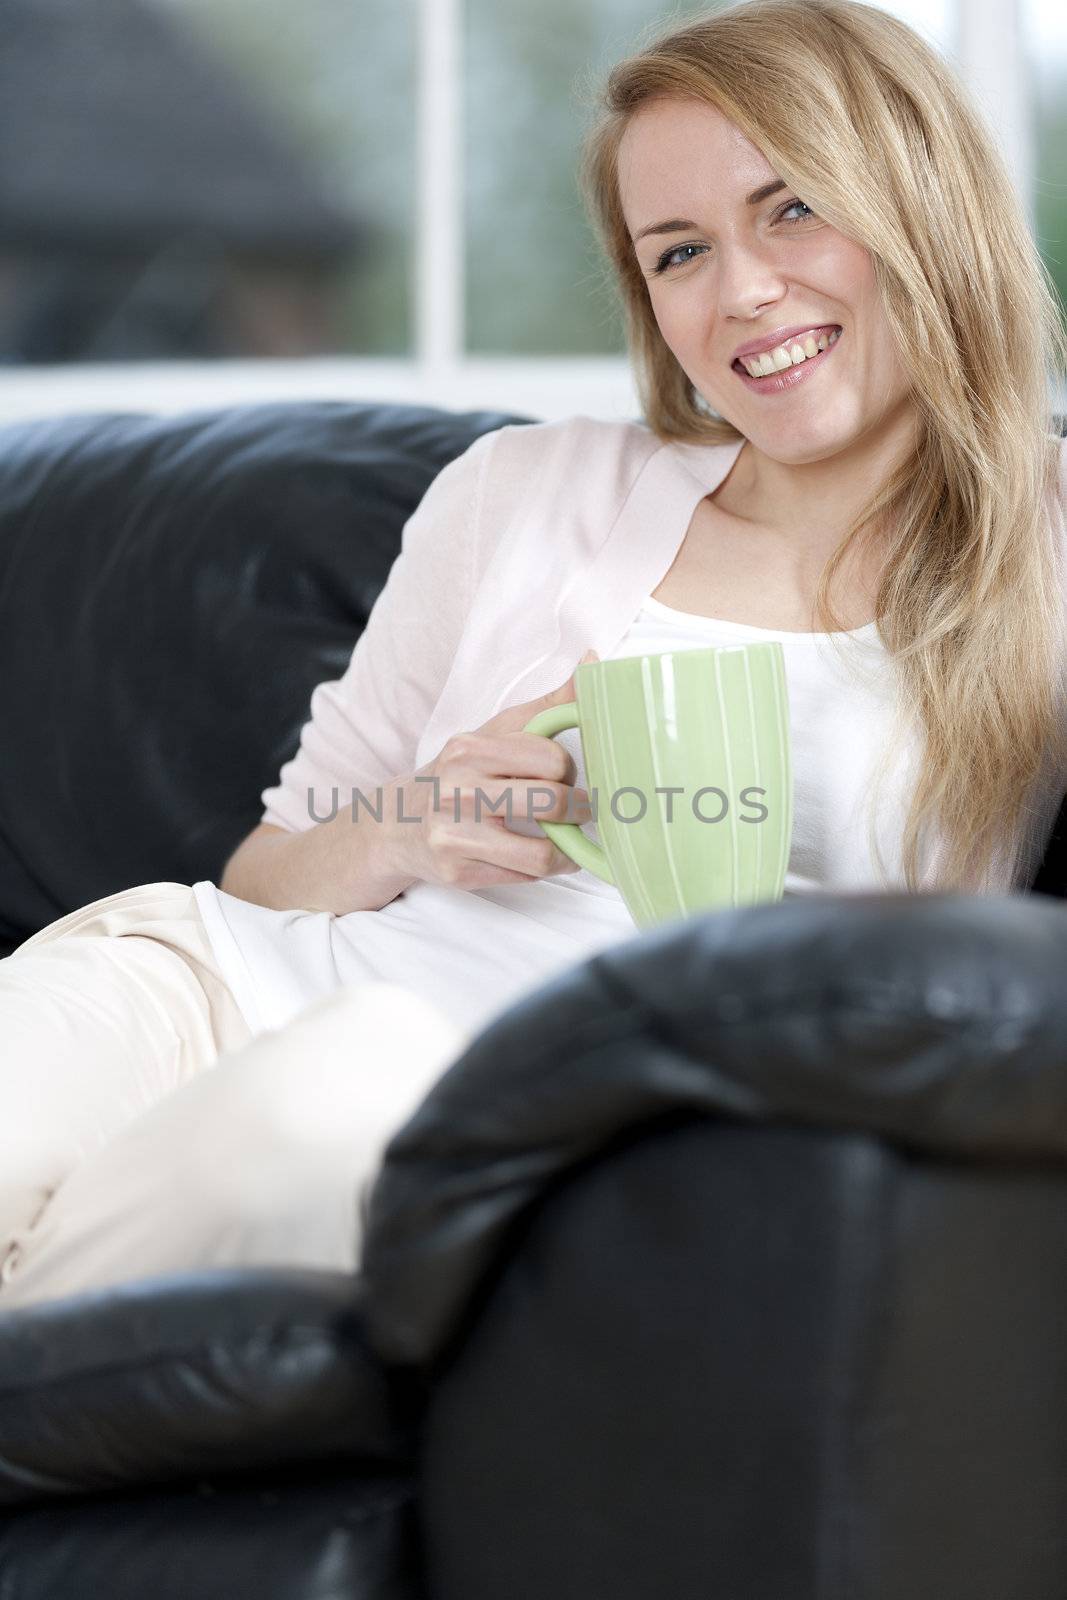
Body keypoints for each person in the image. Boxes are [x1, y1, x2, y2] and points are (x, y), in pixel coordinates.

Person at [3, 0, 1066, 1310]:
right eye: (678, 254)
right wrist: (407, 824)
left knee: (342, 1090)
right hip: (196, 996)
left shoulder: (1045, 551)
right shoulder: (521, 491)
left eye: (791, 209)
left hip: (459, 1132)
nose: (741, 292)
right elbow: (266, 875)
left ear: (920, 201)